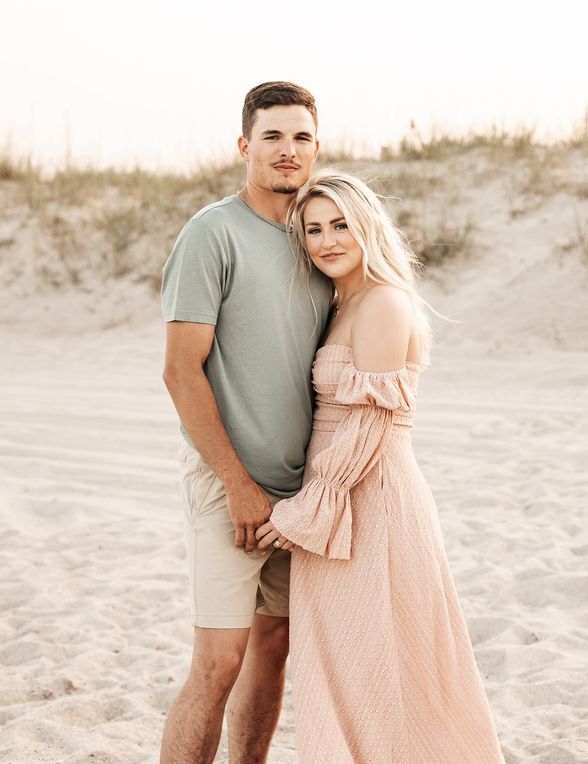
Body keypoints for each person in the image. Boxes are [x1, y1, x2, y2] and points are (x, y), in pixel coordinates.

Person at [255, 170, 507, 763]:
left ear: (368, 225)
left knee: (380, 658)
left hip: (370, 501)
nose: (327, 240)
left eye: (340, 225)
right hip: (337, 501)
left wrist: (307, 510)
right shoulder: (344, 301)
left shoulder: (385, 302)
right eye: (313, 229)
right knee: (348, 658)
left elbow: (369, 424)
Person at [159, 82, 331, 764]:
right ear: (244, 146)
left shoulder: (321, 239)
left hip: (299, 494)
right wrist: (235, 481)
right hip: (229, 485)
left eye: (301, 138)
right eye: (273, 137)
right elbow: (180, 370)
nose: (288, 152)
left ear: (317, 147)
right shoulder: (212, 232)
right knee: (219, 661)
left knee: (273, 648)